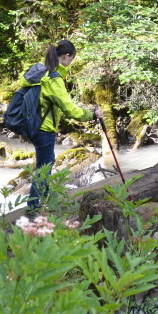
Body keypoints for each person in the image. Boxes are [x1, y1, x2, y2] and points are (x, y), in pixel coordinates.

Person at [19, 40, 103, 213]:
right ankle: (34, 210)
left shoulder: (38, 73)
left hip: (32, 125)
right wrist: (92, 115)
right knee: (44, 169)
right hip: (44, 128)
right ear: (66, 56)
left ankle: (43, 203)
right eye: (71, 59)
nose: (70, 63)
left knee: (45, 164)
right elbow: (69, 108)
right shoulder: (53, 78)